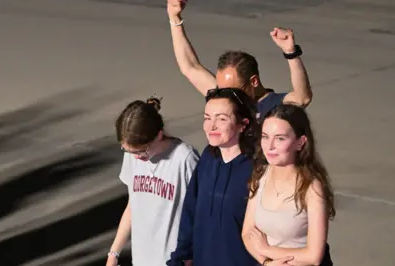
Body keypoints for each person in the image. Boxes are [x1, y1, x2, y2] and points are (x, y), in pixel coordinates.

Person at [167, 87, 293, 266]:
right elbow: (190, 212)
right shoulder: (207, 158)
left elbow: (279, 229)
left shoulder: (261, 168)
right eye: (207, 118)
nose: (212, 126)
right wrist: (180, 258)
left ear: (243, 124)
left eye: (221, 119)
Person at [166, 0, 313, 122]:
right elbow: (190, 67)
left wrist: (290, 53)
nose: (227, 97)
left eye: (234, 91)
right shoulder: (225, 96)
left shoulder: (274, 106)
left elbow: (302, 98)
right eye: (223, 91)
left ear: (254, 81)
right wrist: (174, 18)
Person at [106, 96, 200, 266]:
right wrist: (114, 253)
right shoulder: (133, 155)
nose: (136, 157)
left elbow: (200, 217)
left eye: (142, 151)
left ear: (159, 135)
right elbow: (133, 205)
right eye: (127, 151)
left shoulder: (184, 159)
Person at [242, 104, 335, 266]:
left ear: (300, 143)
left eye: (280, 138)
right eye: (265, 136)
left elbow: (314, 256)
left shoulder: (312, 188)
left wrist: (267, 250)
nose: (269, 146)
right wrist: (266, 263)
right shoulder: (260, 175)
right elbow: (247, 233)